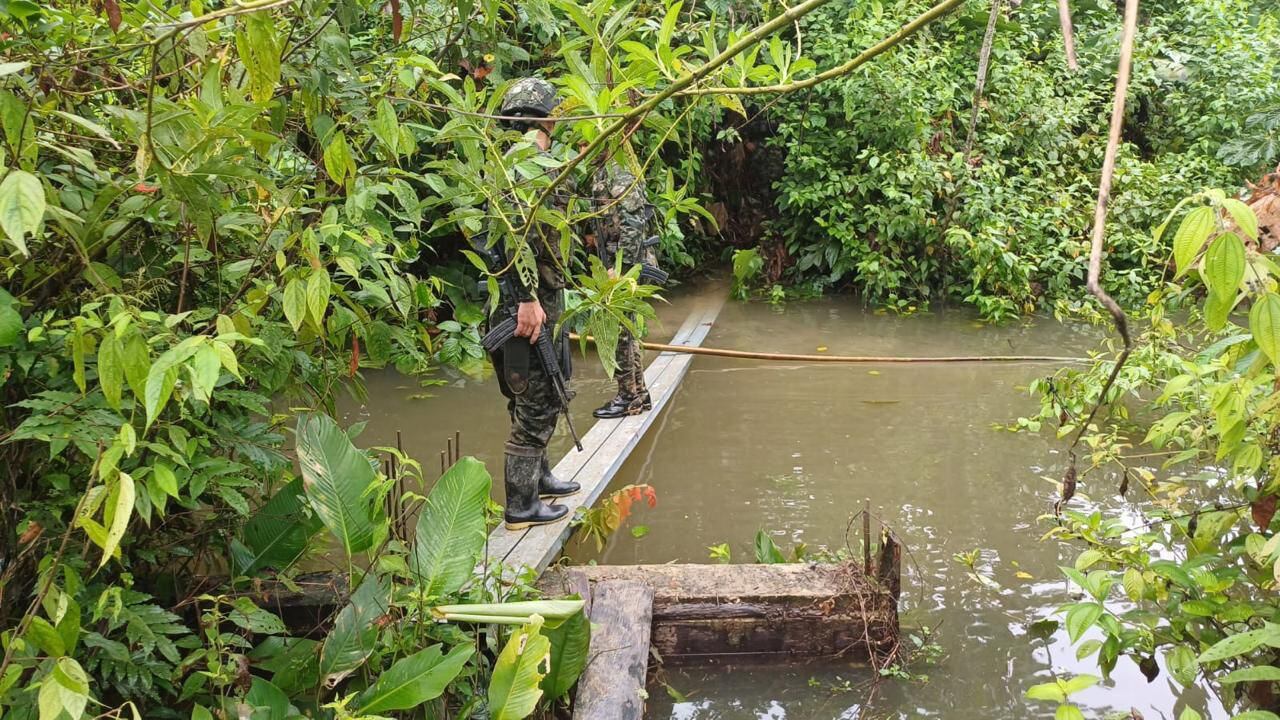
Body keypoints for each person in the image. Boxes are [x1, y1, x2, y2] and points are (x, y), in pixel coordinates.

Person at [486, 77, 580, 530]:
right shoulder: (520, 168)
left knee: (545, 390)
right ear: (549, 118)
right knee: (536, 403)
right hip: (525, 308)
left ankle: (540, 479)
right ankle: (521, 506)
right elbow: (503, 241)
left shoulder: (525, 163)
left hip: (543, 301)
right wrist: (524, 298)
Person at [589, 160, 661, 418]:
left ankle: (628, 397)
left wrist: (622, 269)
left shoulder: (618, 172)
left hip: (626, 265)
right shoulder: (604, 172)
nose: (582, 149)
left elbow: (633, 222)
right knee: (627, 330)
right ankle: (638, 393)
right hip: (616, 260)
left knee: (620, 332)